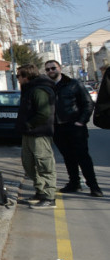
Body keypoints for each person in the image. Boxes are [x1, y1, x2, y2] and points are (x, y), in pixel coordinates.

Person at [44, 60, 101, 197]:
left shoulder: (74, 84)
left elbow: (88, 103)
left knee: (83, 157)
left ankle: (94, 186)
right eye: (48, 69)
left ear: (60, 68)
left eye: (53, 68)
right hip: (58, 128)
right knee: (68, 158)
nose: (51, 71)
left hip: (75, 127)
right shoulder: (48, 87)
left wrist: (81, 121)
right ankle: (74, 183)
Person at [15, 64, 58, 209]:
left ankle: (49, 196)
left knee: (44, 163)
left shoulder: (39, 90)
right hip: (29, 134)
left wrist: (29, 124)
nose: (17, 79)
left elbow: (43, 113)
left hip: (39, 133)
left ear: (26, 77)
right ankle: (40, 191)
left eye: (18, 76)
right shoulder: (28, 89)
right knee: (28, 164)